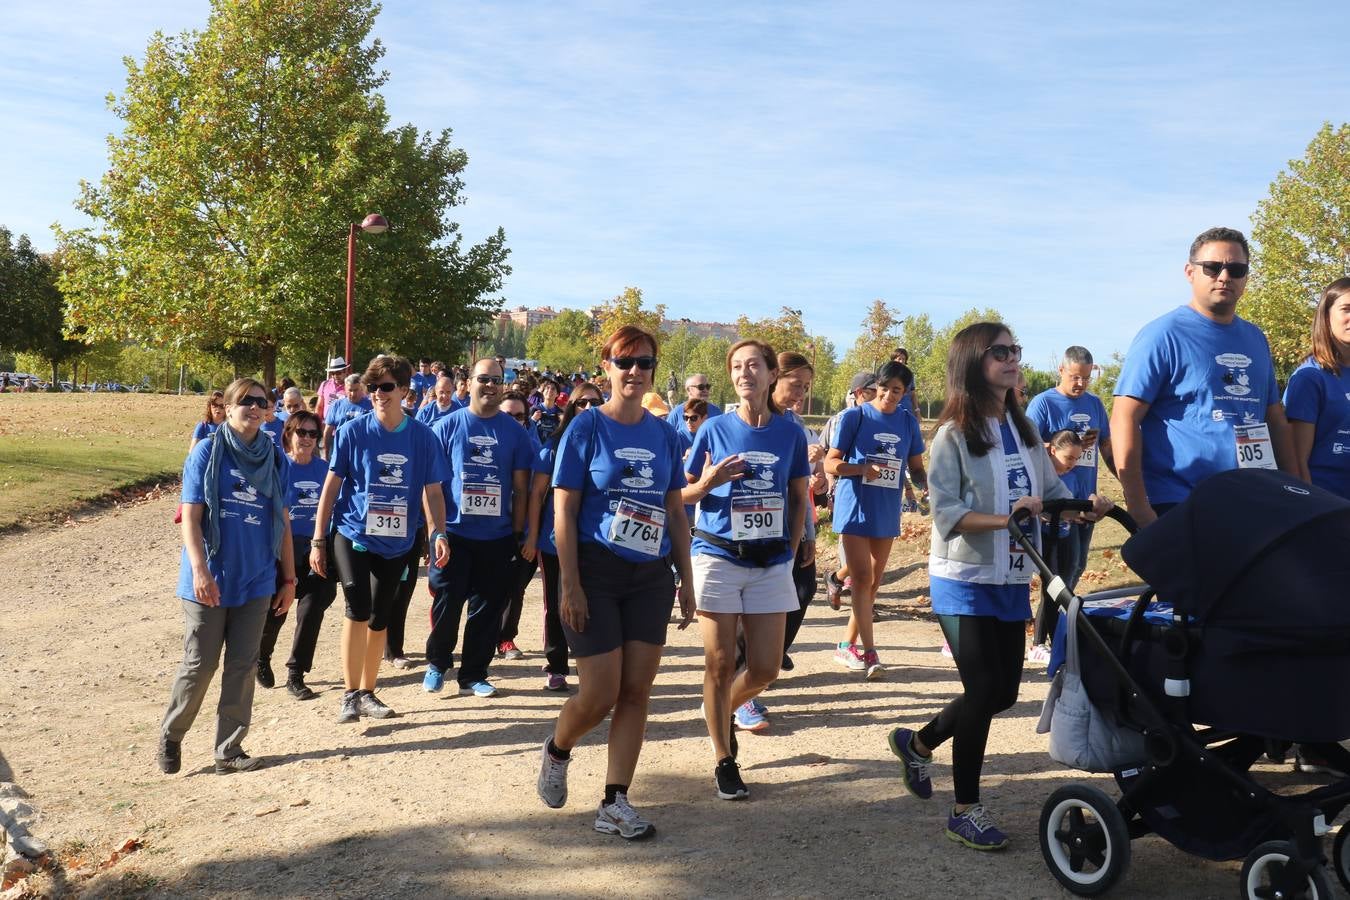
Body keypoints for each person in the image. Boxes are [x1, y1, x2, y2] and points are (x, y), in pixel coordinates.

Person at [888, 322, 1111, 851]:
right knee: (985, 688)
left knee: (1005, 692)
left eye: (1016, 351)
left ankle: (917, 743)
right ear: (972, 362)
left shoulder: (1025, 430)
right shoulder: (952, 436)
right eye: (1000, 352)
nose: (1012, 359)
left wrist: (1084, 506)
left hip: (1011, 578)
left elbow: (1051, 489)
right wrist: (1006, 518)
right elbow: (945, 511)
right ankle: (965, 809)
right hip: (961, 580)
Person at [536, 325, 695, 840]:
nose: (634, 371)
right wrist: (568, 584)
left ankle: (615, 800)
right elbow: (564, 506)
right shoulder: (585, 429)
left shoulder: (666, 434)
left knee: (636, 690)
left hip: (650, 574)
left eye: (644, 363)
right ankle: (558, 748)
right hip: (595, 570)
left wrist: (687, 579)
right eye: (624, 362)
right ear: (606, 367)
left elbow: (674, 510)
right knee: (600, 693)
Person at [683, 340, 809, 799]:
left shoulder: (791, 433)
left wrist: (792, 550)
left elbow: (799, 498)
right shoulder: (713, 429)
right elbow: (680, 496)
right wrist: (708, 482)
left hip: (771, 560)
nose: (744, 374)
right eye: (736, 367)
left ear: (771, 374)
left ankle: (717, 710)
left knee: (764, 668)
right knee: (718, 663)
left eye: (753, 365)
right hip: (717, 555)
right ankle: (723, 757)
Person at [1112, 226, 1294, 527]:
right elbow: (1124, 418)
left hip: (1253, 498)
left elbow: (1274, 419)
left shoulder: (1256, 339)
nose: (1225, 276)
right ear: (1190, 272)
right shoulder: (1162, 335)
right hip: (1182, 502)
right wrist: (1138, 506)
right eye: (1212, 267)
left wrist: (1293, 488)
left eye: (1236, 269)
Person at [158, 378, 296, 776]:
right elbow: (191, 517)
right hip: (210, 577)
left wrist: (288, 579)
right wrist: (199, 569)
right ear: (229, 406)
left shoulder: (274, 457)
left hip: (256, 578)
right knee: (200, 664)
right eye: (246, 401)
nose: (254, 408)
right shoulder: (206, 451)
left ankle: (228, 750)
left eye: (261, 402)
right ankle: (172, 733)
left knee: (242, 664)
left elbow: (283, 520)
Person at [310, 355, 450, 723]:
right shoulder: (352, 432)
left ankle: (368, 692)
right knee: (357, 609)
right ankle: (349, 693)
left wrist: (438, 532)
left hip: (398, 541)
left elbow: (432, 490)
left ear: (405, 391)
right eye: (373, 388)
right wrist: (317, 539)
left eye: (386, 387)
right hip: (354, 532)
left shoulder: (423, 437)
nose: (378, 394)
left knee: (379, 617)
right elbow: (331, 486)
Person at [423, 358, 533, 698]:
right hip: (454, 533)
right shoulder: (446, 427)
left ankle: (473, 673)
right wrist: (436, 532)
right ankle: (437, 663)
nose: (490, 385)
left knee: (487, 607)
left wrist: (518, 534)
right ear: (468, 382)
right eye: (483, 378)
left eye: (496, 380)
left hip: (497, 536)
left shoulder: (514, 432)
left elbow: (520, 487)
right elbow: (432, 487)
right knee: (448, 600)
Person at [1280, 276, 1350, 779]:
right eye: (1346, 308)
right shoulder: (1311, 378)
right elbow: (1296, 463)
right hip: (1324, 519)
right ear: (1325, 315)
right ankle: (1308, 737)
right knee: (1319, 630)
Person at [824, 361, 927, 679]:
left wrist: (928, 487)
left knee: (872, 585)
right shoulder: (855, 416)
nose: (890, 396)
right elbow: (831, 463)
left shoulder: (907, 422)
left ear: (905, 392)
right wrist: (860, 470)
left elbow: (916, 466)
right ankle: (870, 653)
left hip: (886, 507)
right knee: (863, 579)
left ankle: (846, 644)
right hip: (854, 505)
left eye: (897, 390)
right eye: (885, 388)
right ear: (876, 386)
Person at [1025, 346, 1117, 658]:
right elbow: (1028, 446)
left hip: (1084, 495)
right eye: (1075, 377)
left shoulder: (1093, 403)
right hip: (1056, 501)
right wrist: (1064, 442)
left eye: (1086, 378)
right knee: (1057, 570)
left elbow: (1106, 444)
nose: (1080, 384)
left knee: (1076, 565)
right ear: (1061, 370)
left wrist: (1122, 477)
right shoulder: (1043, 403)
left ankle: (1056, 628)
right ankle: (1043, 636)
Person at [522, 381, 605, 691]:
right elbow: (536, 493)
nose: (588, 409)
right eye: (581, 403)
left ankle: (591, 663)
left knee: (596, 603)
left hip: (596, 542)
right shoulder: (554, 445)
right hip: (554, 540)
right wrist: (531, 536)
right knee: (558, 604)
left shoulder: (612, 444)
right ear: (570, 407)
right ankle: (556, 665)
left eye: (595, 403)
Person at [255, 410, 337, 699]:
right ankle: (261, 656)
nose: (306, 438)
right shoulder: (277, 466)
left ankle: (296, 672)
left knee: (314, 604)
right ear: (288, 433)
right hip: (281, 547)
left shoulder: (326, 469)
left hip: (316, 547)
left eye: (313, 434)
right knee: (278, 608)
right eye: (300, 432)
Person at [822, 372, 877, 609]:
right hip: (848, 492)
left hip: (878, 493)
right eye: (872, 390)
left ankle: (837, 579)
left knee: (873, 551)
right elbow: (827, 456)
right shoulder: (841, 419)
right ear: (858, 393)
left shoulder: (884, 419)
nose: (878, 395)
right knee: (853, 549)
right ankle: (862, 605)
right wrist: (830, 488)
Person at [495, 391, 541, 661]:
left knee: (515, 588)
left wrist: (531, 535)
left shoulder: (536, 449)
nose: (513, 420)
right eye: (507, 415)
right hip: (488, 530)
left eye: (519, 416)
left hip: (522, 531)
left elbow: (539, 495)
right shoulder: (483, 444)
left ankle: (506, 638)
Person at [322, 375, 373, 457]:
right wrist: (325, 455)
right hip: (340, 451)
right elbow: (328, 431)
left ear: (361, 389)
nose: (353, 394)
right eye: (350, 390)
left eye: (356, 390)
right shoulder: (337, 405)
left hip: (363, 452)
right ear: (345, 389)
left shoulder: (371, 405)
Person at [668, 374, 722, 439]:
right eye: (701, 387)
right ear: (689, 390)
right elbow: (667, 439)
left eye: (707, 387)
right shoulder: (676, 413)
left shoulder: (717, 412)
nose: (705, 390)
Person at [314, 357, 348, 423]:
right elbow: (319, 407)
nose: (335, 376)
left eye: (338, 373)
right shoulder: (325, 384)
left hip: (344, 425)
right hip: (326, 424)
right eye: (332, 373)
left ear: (345, 371)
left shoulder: (351, 386)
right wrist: (317, 424)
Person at [531, 379, 565, 443]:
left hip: (552, 450)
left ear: (557, 394)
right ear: (543, 392)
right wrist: (533, 420)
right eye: (547, 388)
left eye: (553, 389)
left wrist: (564, 423)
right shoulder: (533, 409)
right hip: (535, 448)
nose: (550, 390)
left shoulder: (560, 413)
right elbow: (525, 429)